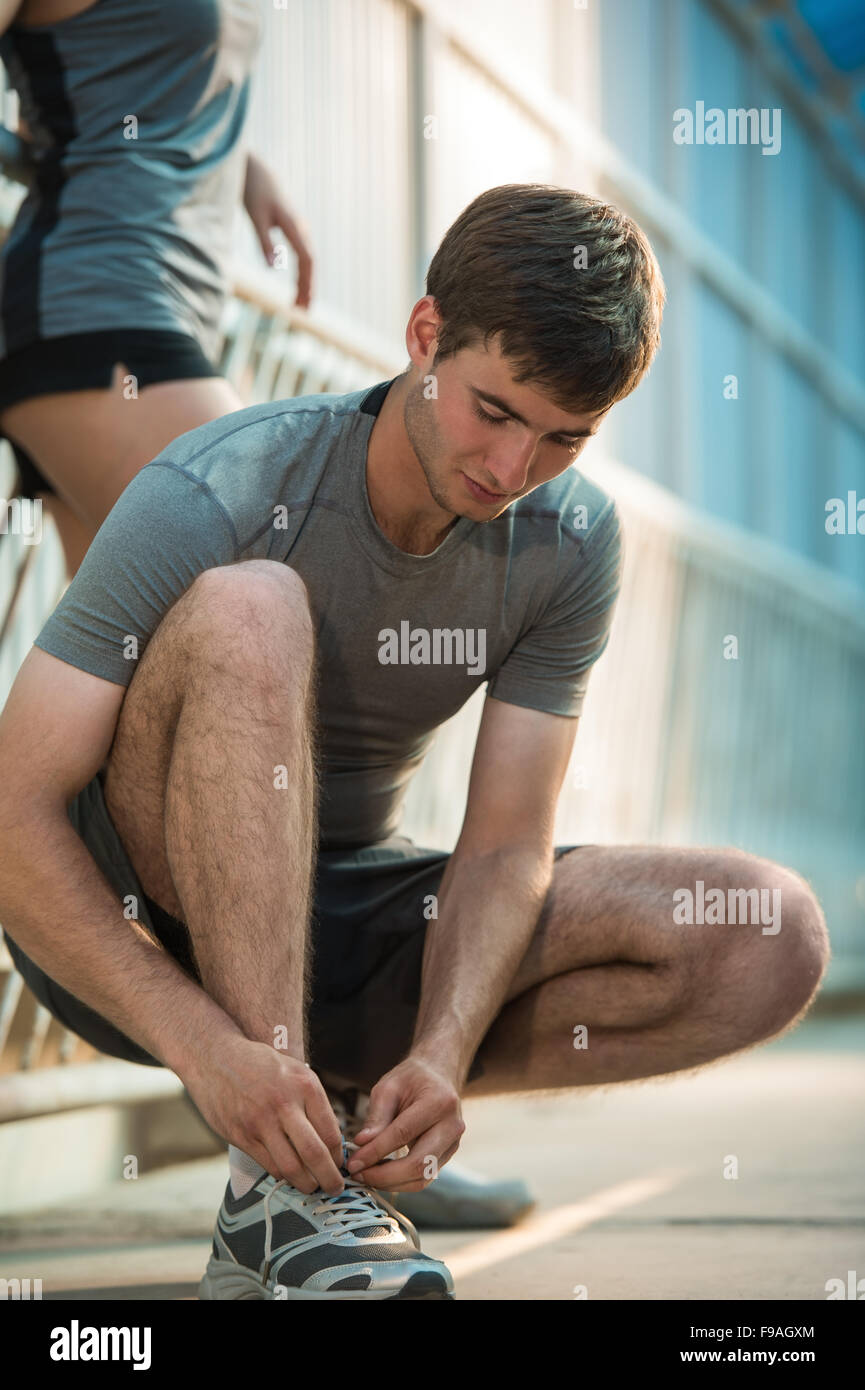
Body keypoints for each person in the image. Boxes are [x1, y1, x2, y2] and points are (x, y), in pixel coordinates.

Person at [0, 185, 829, 1300]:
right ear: (425, 336)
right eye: (492, 410)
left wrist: (440, 1050)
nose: (510, 469)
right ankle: (276, 1183)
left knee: (767, 929)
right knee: (254, 607)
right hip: (147, 933)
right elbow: (11, 811)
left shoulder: (570, 537)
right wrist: (204, 1045)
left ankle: (350, 1131)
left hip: (347, 918)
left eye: (562, 437)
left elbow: (501, 846)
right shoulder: (222, 485)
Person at [0, 0, 313, 576]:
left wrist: (242, 165)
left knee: (118, 657)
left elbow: (134, 77)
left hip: (171, 308)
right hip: (98, 302)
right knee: (273, 573)